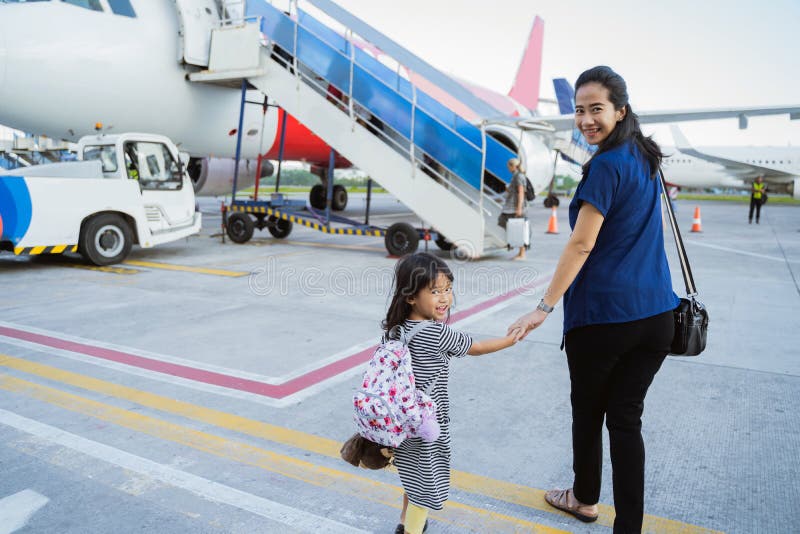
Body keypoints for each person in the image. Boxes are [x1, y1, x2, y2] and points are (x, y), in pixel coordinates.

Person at [506, 66, 679, 533]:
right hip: (658, 315)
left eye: (596, 109)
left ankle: (584, 499)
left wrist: (542, 308)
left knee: (589, 412)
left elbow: (581, 244)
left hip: (606, 318)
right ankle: (629, 527)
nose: (586, 119)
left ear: (620, 111)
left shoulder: (605, 166)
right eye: (579, 110)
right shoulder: (645, 157)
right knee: (626, 421)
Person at [384, 252, 518, 534]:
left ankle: (403, 522)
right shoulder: (434, 333)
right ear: (411, 297)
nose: (445, 298)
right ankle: (411, 531)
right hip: (428, 423)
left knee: (413, 475)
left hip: (403, 422)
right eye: (435, 291)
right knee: (426, 483)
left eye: (448, 289)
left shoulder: (396, 330)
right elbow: (477, 347)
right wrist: (510, 340)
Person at [498, 158, 529, 260]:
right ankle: (517, 248)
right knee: (512, 226)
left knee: (519, 229)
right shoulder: (516, 176)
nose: (508, 168)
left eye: (508, 166)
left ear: (513, 166)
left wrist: (519, 208)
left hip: (516, 207)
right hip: (512, 207)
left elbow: (521, 193)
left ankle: (522, 253)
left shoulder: (519, 176)